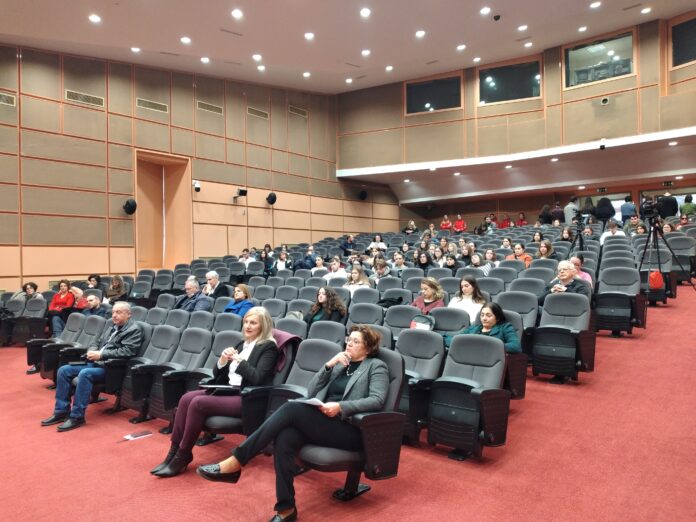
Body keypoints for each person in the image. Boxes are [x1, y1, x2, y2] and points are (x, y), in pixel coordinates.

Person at [196, 324, 388, 521]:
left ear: (368, 348)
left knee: (292, 408)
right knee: (285, 437)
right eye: (349, 339)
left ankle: (238, 459)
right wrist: (329, 365)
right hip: (325, 422)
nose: (349, 344)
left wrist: (340, 406)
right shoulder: (341, 363)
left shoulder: (375, 366)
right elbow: (312, 390)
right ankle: (286, 508)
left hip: (350, 429)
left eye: (356, 341)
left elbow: (377, 400)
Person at [151, 307, 279, 477]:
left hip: (246, 397)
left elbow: (257, 378)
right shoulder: (242, 344)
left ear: (263, 325)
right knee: (186, 398)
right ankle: (172, 452)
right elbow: (219, 375)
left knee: (198, 403)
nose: (248, 326)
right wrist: (223, 360)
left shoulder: (269, 347)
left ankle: (183, 454)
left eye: (253, 323)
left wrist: (239, 360)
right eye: (246, 322)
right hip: (228, 390)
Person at [40, 302, 143, 431]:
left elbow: (128, 351)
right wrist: (92, 351)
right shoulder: (113, 326)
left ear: (129, 314)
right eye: (113, 312)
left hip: (111, 368)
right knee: (63, 370)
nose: (114, 315)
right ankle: (61, 411)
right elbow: (97, 342)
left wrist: (101, 354)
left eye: (118, 312)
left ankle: (77, 416)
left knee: (85, 373)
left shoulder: (134, 329)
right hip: (96, 363)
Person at [456, 302, 521, 353]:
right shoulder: (473, 328)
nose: (484, 318)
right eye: (482, 315)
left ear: (497, 318)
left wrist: (488, 346)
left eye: (488, 315)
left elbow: (515, 346)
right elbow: (456, 340)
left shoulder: (505, 327)